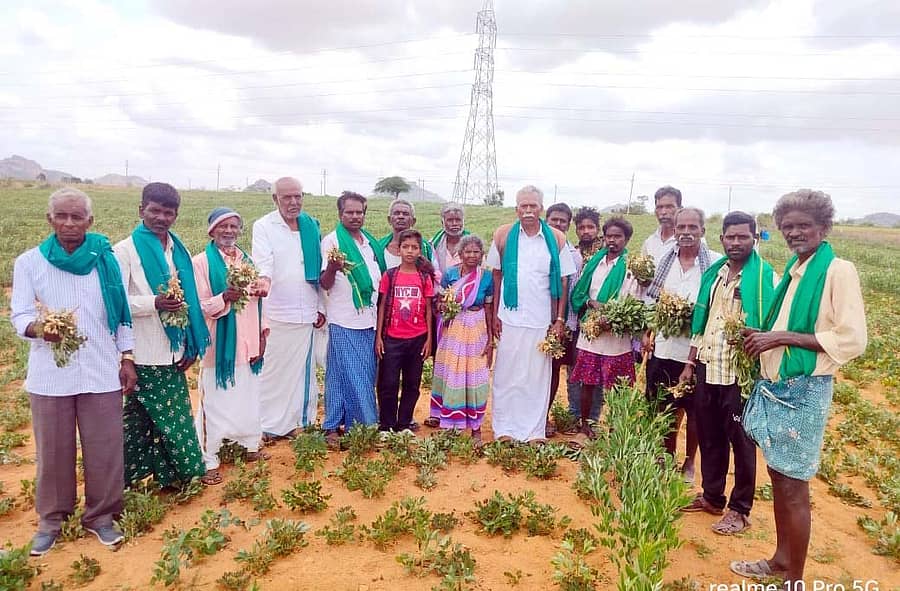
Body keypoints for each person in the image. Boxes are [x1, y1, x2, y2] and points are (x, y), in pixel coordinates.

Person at [731, 190, 866, 585]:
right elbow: (785, 328)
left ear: (823, 227)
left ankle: (794, 578)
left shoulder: (837, 270)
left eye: (803, 225)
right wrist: (764, 335)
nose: (794, 233)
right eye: (787, 226)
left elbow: (852, 338)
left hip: (804, 391)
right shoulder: (794, 271)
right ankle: (779, 560)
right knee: (779, 478)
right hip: (780, 387)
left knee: (793, 488)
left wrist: (781, 338)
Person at [11, 188, 136, 556]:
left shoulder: (104, 260)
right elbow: (19, 314)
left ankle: (101, 516)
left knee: (105, 447)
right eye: (62, 216)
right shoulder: (29, 262)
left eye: (77, 217)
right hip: (52, 372)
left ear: (89, 221)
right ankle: (52, 519)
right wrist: (39, 329)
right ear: (50, 220)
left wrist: (127, 357)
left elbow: (121, 313)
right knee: (53, 449)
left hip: (100, 369)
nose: (69, 223)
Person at [679, 211, 776, 534]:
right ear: (721, 239)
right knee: (710, 436)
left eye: (743, 237)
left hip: (740, 374)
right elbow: (702, 323)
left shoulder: (764, 278)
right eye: (730, 237)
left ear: (754, 238)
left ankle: (740, 509)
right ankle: (712, 496)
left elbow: (771, 325)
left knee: (742, 442)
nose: (736, 242)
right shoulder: (716, 275)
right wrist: (690, 363)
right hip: (709, 366)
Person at [114, 182, 208, 488]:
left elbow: (188, 300)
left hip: (174, 349)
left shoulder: (177, 251)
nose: (161, 218)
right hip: (142, 351)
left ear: (176, 215)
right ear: (141, 210)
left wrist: (189, 344)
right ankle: (187, 474)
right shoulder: (124, 251)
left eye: (168, 212)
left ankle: (136, 477)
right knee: (172, 420)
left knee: (141, 419)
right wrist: (153, 302)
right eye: (154, 210)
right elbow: (115, 303)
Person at [487, 185, 576, 443]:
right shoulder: (503, 235)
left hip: (540, 321)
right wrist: (494, 315)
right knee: (507, 374)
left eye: (533, 206)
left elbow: (563, 281)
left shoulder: (556, 238)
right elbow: (496, 274)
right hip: (509, 319)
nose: (528, 211)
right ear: (516, 209)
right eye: (523, 206)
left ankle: (534, 432)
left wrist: (559, 319)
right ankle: (504, 429)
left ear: (541, 208)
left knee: (537, 377)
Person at [643, 206, 721, 483]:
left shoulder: (715, 263)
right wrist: (647, 331)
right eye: (681, 228)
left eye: (692, 228)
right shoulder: (666, 261)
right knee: (663, 405)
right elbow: (652, 301)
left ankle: (690, 462)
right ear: (674, 231)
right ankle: (666, 455)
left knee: (695, 409)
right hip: (664, 347)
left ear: (703, 230)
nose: (686, 233)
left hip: (698, 352)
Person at [191, 207, 269, 486]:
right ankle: (209, 458)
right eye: (223, 227)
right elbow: (199, 306)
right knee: (215, 399)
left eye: (234, 227)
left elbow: (258, 303)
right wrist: (223, 297)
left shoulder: (247, 261)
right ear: (212, 231)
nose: (229, 231)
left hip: (247, 341)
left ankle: (249, 445)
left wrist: (262, 334)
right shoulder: (200, 263)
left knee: (248, 394)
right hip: (219, 345)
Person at [252, 177, 325, 440]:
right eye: (287, 197)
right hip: (277, 310)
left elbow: (318, 268)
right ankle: (268, 425)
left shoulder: (310, 225)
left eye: (298, 196)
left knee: (302, 373)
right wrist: (264, 280)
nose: (294, 202)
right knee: (273, 370)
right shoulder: (264, 226)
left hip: (307, 310)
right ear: (275, 199)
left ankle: (299, 422)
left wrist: (320, 306)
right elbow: (264, 262)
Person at [319, 192, 386, 449]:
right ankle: (365, 426)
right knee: (357, 373)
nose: (355, 216)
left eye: (359, 212)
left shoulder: (369, 243)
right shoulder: (332, 242)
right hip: (344, 318)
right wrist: (334, 267)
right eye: (350, 212)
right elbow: (324, 283)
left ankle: (334, 424)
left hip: (368, 320)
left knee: (343, 372)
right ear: (340, 214)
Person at [569, 216, 643, 441]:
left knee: (617, 386)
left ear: (627, 239)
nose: (612, 241)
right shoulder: (595, 263)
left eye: (618, 236)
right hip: (591, 333)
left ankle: (614, 430)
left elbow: (633, 300)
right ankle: (586, 426)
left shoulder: (632, 267)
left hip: (616, 337)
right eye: (609, 236)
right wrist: (592, 305)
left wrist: (611, 317)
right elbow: (582, 293)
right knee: (587, 382)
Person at [429, 234, 494, 441]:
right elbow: (439, 302)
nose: (472, 256)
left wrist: (491, 337)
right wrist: (446, 307)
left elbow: (489, 307)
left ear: (482, 255)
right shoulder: (450, 274)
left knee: (475, 375)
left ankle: (476, 427)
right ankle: (449, 425)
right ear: (460, 254)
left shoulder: (486, 277)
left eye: (476, 252)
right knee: (453, 373)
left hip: (477, 327)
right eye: (468, 251)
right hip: (454, 328)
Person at [375, 229, 435, 432]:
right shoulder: (390, 276)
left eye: (414, 247)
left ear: (420, 251)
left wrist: (428, 339)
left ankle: (403, 424)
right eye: (405, 247)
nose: (410, 251)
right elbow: (382, 306)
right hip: (392, 339)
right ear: (398, 249)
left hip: (417, 339)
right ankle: (386, 425)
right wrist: (379, 338)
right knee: (388, 383)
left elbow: (428, 308)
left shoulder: (424, 277)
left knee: (412, 384)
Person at [544, 203, 582, 438]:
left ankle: (544, 415)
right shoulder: (536, 248)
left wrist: (563, 323)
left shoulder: (573, 256)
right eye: (553, 220)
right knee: (531, 370)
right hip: (534, 321)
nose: (558, 225)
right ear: (545, 221)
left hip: (561, 324)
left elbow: (572, 291)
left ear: (569, 225)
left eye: (563, 222)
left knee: (553, 371)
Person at [567, 206, 604, 423]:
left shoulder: (605, 255)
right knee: (574, 368)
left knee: (595, 372)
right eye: (581, 227)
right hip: (575, 317)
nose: (586, 231)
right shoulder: (572, 253)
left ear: (598, 229)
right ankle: (574, 414)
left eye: (591, 227)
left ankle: (592, 418)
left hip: (597, 320)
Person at [379, 199, 435, 270]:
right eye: (396, 213)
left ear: (413, 221)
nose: (401, 217)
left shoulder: (425, 248)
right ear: (389, 219)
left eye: (405, 214)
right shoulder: (379, 247)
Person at [641, 186, 681, 264]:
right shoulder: (649, 242)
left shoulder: (690, 241)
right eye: (659, 207)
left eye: (669, 207)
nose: (663, 212)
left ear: (679, 209)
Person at [431, 203, 469, 278]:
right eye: (450, 220)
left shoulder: (474, 244)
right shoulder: (433, 244)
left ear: (463, 222)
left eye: (458, 220)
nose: (454, 224)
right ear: (443, 223)